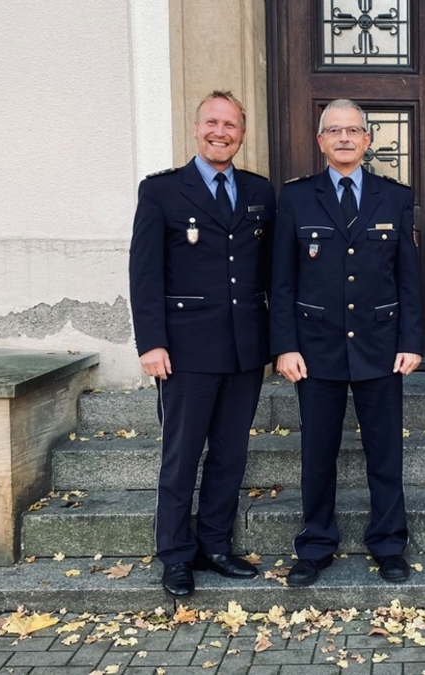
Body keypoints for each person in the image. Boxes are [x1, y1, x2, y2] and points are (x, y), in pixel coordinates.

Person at [129, 90, 276, 597]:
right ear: (196, 129)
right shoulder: (163, 192)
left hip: (243, 349)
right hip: (185, 350)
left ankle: (214, 543)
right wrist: (151, 343)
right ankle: (175, 554)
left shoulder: (260, 192)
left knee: (230, 453)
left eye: (231, 124)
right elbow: (144, 274)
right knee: (182, 453)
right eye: (212, 122)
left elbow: (271, 274)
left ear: (242, 132)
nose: (221, 132)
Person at [271, 99, 422, 587]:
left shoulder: (393, 197)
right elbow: (283, 281)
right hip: (315, 350)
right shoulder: (295, 199)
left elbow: (407, 277)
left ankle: (389, 544)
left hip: (380, 345)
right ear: (320, 141)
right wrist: (285, 346)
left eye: (352, 131)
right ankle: (315, 545)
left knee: (385, 452)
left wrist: (411, 340)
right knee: (318, 452)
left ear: (367, 140)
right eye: (333, 131)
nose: (343, 138)